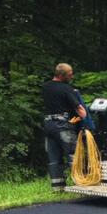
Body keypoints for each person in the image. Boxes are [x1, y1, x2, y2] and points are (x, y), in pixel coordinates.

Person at [42, 63, 87, 191]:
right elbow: (79, 109)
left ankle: (58, 187)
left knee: (54, 158)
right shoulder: (66, 88)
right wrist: (83, 117)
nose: (72, 76)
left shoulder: (45, 87)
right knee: (73, 154)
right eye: (70, 74)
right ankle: (78, 184)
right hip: (62, 126)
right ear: (63, 76)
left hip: (48, 125)